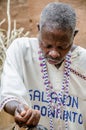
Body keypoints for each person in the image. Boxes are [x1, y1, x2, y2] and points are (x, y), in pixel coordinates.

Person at [0, 2, 86, 130]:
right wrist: (19, 109)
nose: (54, 53)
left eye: (62, 47)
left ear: (74, 35)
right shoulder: (21, 50)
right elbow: (8, 95)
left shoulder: (83, 61)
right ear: (39, 29)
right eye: (47, 45)